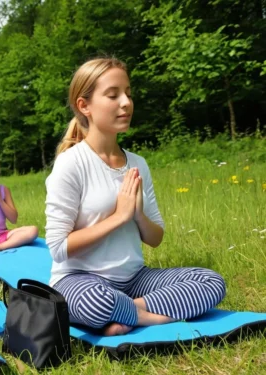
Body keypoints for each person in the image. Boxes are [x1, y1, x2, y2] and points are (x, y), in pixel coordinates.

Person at [45, 58, 226, 336]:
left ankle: (130, 312)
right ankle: (154, 316)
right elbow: (58, 247)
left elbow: (155, 238)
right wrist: (118, 217)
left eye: (128, 93)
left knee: (210, 281)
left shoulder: (137, 164)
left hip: (134, 279)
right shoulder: (71, 164)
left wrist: (138, 214)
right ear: (85, 106)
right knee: (96, 302)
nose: (126, 103)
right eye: (113, 94)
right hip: (80, 280)